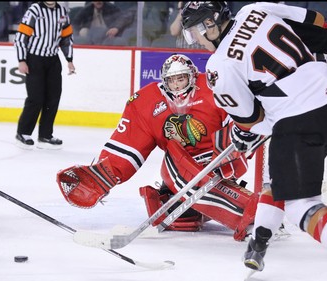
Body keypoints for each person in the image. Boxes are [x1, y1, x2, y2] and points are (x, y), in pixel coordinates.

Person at [180, 2, 327, 281]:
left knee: (299, 205)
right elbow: (316, 21)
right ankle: (260, 240)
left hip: (298, 123)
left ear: (209, 25)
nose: (194, 40)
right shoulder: (253, 10)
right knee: (276, 176)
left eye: (194, 32)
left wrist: (242, 134)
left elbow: (250, 120)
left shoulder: (220, 65)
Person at [56, 53, 260, 241]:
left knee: (178, 202)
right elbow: (129, 141)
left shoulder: (213, 87)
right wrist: (103, 174)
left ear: (192, 77)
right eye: (171, 80)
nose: (177, 85)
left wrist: (232, 153)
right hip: (179, 164)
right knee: (175, 216)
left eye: (181, 79)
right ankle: (231, 208)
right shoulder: (148, 101)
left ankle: (248, 211)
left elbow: (241, 122)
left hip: (216, 164)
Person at [14, 1, 75, 150]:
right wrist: (22, 60)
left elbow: (66, 38)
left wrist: (69, 60)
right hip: (35, 59)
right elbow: (21, 37)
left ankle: (45, 135)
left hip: (53, 60)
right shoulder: (34, 10)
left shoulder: (62, 11)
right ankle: (23, 133)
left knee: (53, 98)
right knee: (36, 98)